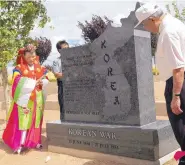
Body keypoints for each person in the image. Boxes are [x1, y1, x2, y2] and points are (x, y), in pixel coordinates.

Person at [135, 3, 185, 165]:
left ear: (152, 19)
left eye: (144, 23)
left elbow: (178, 67)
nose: (145, 27)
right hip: (178, 81)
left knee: (181, 128)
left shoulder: (169, 32)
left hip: (178, 83)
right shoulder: (175, 24)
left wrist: (176, 95)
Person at [3, 44, 49, 154]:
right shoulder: (18, 68)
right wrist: (33, 83)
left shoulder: (40, 67)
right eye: (28, 57)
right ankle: (20, 143)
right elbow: (16, 81)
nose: (31, 59)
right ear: (24, 56)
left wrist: (43, 82)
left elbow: (47, 77)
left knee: (36, 120)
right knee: (23, 121)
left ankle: (34, 141)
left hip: (37, 98)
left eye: (33, 56)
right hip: (25, 99)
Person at [45, 40, 69, 121]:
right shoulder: (56, 61)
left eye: (68, 48)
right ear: (59, 50)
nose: (67, 50)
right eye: (64, 48)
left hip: (75, 86)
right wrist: (71, 73)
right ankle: (64, 126)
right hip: (63, 87)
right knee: (64, 107)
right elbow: (57, 75)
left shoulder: (74, 59)